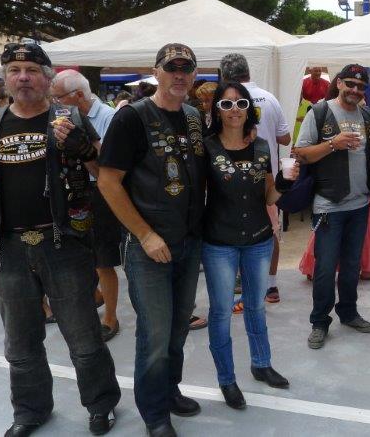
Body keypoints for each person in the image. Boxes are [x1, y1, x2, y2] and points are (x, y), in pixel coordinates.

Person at [0, 43, 120, 437]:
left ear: (47, 78)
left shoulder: (70, 118)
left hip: (64, 244)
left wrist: (84, 149)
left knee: (84, 337)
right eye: (15, 70)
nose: (23, 77)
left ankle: (101, 404)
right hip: (9, 247)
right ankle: (30, 411)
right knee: (20, 343)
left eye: (32, 69)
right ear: (5, 78)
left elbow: (105, 173)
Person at [98, 43, 206, 437]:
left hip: (189, 241)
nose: (179, 74)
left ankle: (169, 390)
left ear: (193, 74)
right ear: (155, 71)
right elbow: (108, 182)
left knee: (178, 327)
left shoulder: (194, 116)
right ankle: (155, 415)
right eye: (171, 67)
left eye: (186, 68)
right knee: (156, 333)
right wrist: (144, 234)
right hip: (149, 246)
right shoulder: (132, 117)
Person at [201, 81, 289, 410]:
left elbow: (269, 197)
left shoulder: (262, 146)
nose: (234, 110)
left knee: (255, 305)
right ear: (217, 111)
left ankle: (261, 363)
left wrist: (284, 183)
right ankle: (227, 379)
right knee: (221, 313)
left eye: (241, 103)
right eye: (226, 104)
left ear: (250, 109)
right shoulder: (206, 148)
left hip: (258, 239)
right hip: (219, 242)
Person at [294, 63, 370, 350]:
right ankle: (319, 321)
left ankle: (348, 312)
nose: (355, 90)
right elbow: (301, 153)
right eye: (350, 84)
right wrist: (333, 144)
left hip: (360, 204)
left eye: (361, 87)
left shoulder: (368, 116)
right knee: (324, 268)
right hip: (329, 205)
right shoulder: (320, 112)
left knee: (351, 264)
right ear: (339, 83)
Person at [51, 70, 123, 343]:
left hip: (101, 192)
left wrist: (84, 146)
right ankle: (96, 295)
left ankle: (111, 317)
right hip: (76, 190)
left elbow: (110, 166)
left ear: (78, 94)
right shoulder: (65, 117)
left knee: (104, 258)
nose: (55, 102)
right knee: (84, 253)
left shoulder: (109, 117)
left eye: (58, 97)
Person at [220, 53, 291, 303]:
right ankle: (271, 285)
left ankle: (240, 280)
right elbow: (285, 138)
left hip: (230, 179)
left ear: (225, 76)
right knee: (270, 230)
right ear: (248, 71)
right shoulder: (269, 98)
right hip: (266, 177)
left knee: (234, 228)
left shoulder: (223, 102)